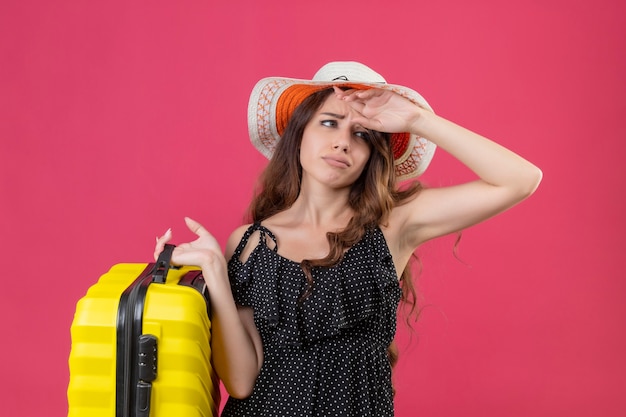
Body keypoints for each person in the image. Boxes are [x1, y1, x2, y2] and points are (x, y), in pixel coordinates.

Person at [154, 61, 542, 416]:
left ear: (373, 154)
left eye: (362, 134)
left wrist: (417, 119)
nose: (342, 142)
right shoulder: (250, 242)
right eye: (329, 123)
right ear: (299, 132)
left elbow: (520, 180)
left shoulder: (394, 224)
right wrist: (217, 277)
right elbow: (240, 382)